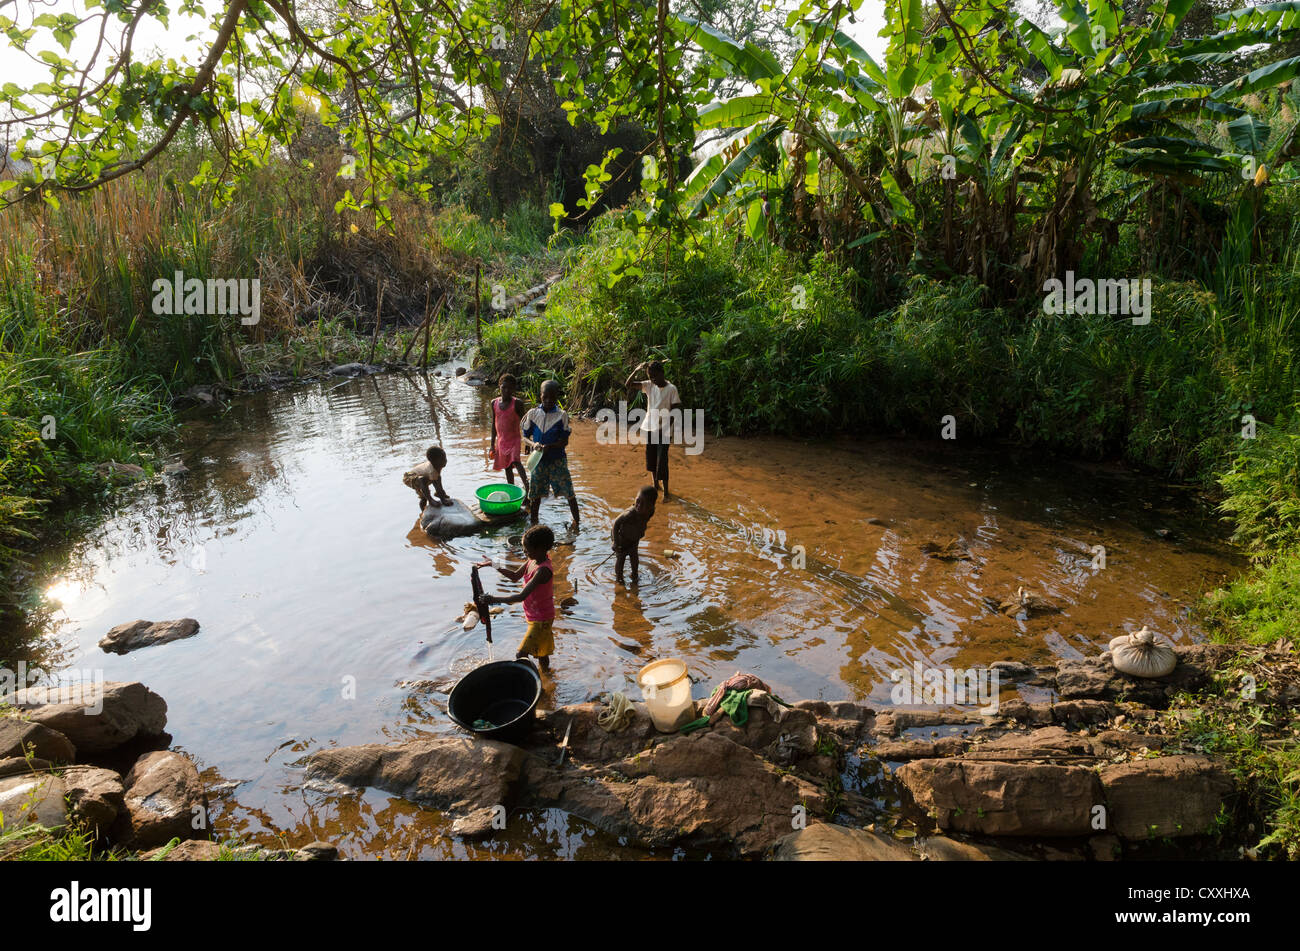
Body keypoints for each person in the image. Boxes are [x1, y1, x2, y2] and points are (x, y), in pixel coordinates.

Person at [478, 524, 556, 671]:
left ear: (539, 549)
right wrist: (494, 565)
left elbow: (521, 596)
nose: (524, 551)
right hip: (534, 616)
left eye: (527, 548)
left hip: (542, 619)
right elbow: (514, 576)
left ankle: (533, 681)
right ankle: (547, 676)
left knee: (521, 654)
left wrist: (493, 599)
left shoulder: (543, 571)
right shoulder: (532, 561)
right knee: (541, 652)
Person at [522, 379, 580, 531]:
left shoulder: (562, 416)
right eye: (545, 396)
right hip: (538, 462)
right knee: (535, 495)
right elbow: (525, 436)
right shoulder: (533, 414)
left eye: (552, 397)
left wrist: (550, 446)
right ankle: (534, 525)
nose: (548, 400)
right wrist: (532, 444)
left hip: (557, 461)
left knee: (569, 493)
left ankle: (577, 524)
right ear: (540, 395)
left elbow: (564, 442)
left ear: (556, 397)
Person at [624, 360, 682, 500]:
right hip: (650, 427)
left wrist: (666, 427)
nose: (653, 379)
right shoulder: (649, 385)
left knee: (662, 459)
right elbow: (628, 384)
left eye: (655, 376)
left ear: (662, 374)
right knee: (651, 457)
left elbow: (677, 409)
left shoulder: (671, 389)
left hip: (664, 430)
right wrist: (637, 370)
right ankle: (656, 485)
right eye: (650, 377)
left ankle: (667, 493)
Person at [489, 373, 529, 492]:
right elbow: (493, 425)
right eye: (504, 387)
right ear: (499, 387)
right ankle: (512, 490)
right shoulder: (494, 403)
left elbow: (525, 424)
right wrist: (492, 445)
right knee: (507, 467)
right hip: (502, 441)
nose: (506, 390)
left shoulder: (517, 403)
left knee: (516, 462)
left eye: (509, 388)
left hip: (514, 440)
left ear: (513, 389)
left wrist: (527, 442)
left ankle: (528, 488)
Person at [611, 486, 657, 584]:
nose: (639, 505)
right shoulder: (629, 514)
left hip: (634, 541)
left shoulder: (650, 512)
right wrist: (615, 542)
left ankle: (635, 576)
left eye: (643, 504)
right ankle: (619, 579)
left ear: (650, 506)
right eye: (638, 501)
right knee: (621, 560)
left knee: (635, 560)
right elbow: (616, 524)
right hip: (622, 540)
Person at [402, 445, 452, 511]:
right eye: (442, 460)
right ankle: (430, 500)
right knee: (424, 491)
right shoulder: (432, 470)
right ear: (434, 461)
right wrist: (443, 500)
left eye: (445, 459)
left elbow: (437, 481)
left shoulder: (437, 465)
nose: (445, 461)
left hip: (421, 478)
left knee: (437, 479)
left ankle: (438, 494)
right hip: (410, 478)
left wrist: (441, 493)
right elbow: (436, 484)